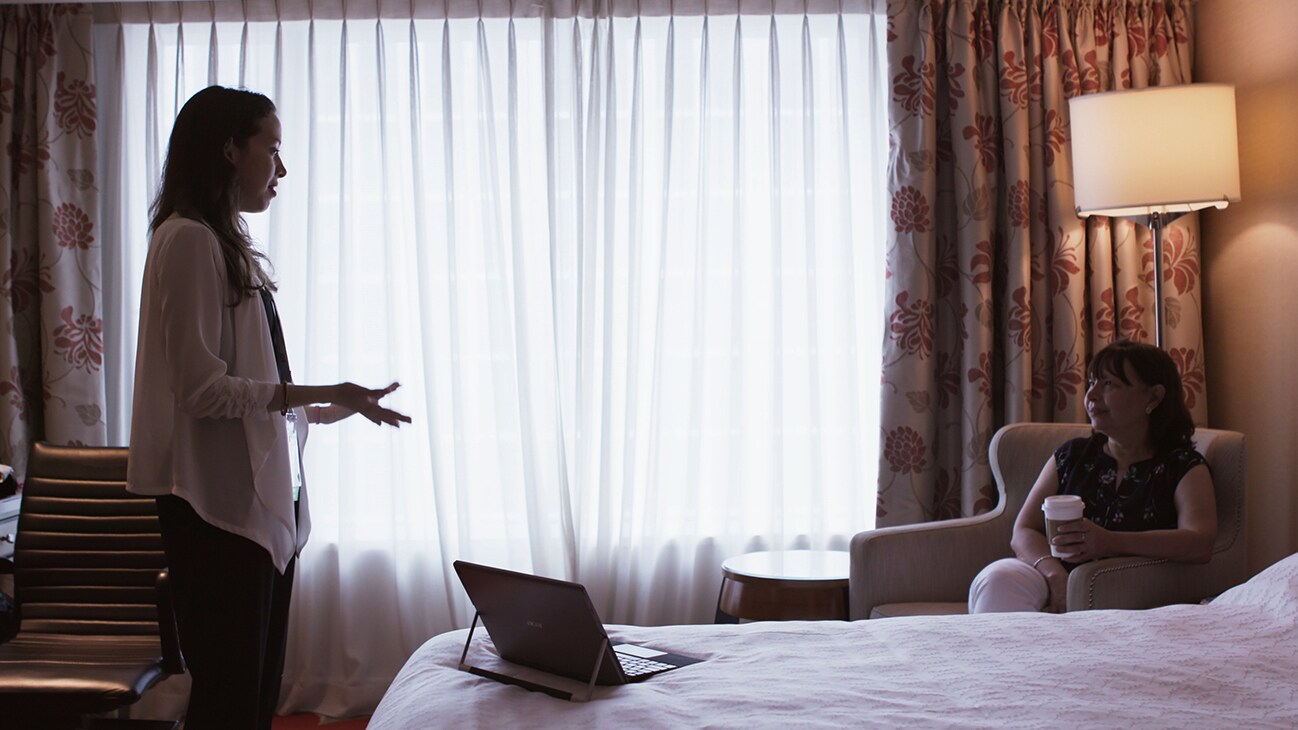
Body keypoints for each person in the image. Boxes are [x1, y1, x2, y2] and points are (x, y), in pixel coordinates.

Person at [127, 86, 411, 730]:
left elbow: (256, 393)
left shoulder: (221, 244)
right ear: (229, 150)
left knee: (250, 702)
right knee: (230, 703)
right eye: (272, 150)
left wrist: (339, 405)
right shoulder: (188, 242)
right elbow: (202, 390)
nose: (280, 170)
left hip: (246, 512)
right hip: (213, 514)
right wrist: (317, 392)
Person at [967, 340, 1216, 614]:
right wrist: (1055, 576)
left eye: (1109, 384)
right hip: (1056, 574)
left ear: (1153, 397)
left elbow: (1199, 542)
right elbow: (1024, 530)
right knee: (999, 578)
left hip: (1130, 586)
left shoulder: (1182, 465)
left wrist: (1110, 541)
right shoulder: (1072, 455)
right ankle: (1008, 656)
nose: (1092, 395)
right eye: (1092, 382)